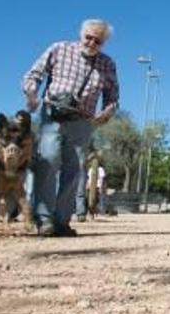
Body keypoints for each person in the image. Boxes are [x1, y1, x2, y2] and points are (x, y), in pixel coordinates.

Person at [23, 19, 119, 237]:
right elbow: (34, 74)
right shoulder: (59, 49)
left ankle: (62, 221)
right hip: (52, 115)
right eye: (89, 37)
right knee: (48, 162)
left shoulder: (107, 64)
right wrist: (31, 94)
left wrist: (105, 114)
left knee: (73, 171)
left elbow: (113, 96)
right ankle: (44, 219)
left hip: (82, 121)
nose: (92, 43)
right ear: (81, 34)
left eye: (98, 40)